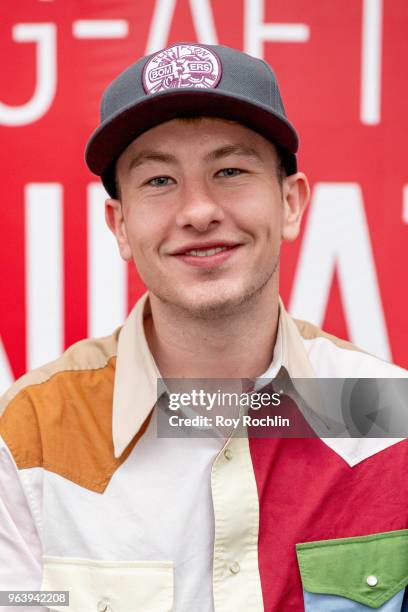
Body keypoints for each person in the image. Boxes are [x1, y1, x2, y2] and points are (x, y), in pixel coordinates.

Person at [1, 42, 407, 612]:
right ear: (120, 226)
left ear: (291, 203)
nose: (197, 210)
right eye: (159, 181)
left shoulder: (390, 415)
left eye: (231, 170)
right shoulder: (28, 435)